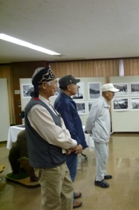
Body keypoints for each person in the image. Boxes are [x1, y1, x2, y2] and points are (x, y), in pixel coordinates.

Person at [24, 66, 83, 210]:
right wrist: (74, 144)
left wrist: (68, 144)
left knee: (66, 194)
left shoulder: (46, 103)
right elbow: (55, 136)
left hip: (58, 159)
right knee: (52, 202)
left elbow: (62, 127)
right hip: (48, 163)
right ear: (44, 85)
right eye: (55, 83)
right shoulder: (36, 107)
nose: (57, 86)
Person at [54, 75, 88, 208]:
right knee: (69, 174)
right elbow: (68, 126)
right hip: (71, 144)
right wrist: (76, 144)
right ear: (69, 87)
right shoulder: (63, 102)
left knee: (69, 172)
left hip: (71, 142)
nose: (77, 86)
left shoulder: (65, 100)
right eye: (76, 84)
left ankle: (71, 193)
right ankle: (68, 201)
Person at [85, 83, 119, 188]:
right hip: (99, 135)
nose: (114, 95)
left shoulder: (105, 102)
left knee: (105, 155)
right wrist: (88, 130)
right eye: (112, 93)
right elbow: (91, 119)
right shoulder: (98, 103)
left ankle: (102, 174)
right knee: (102, 157)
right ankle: (98, 179)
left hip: (104, 135)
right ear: (107, 93)